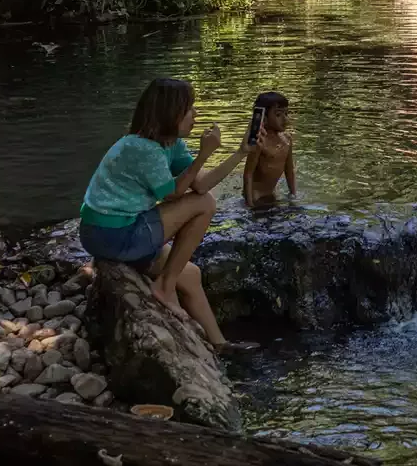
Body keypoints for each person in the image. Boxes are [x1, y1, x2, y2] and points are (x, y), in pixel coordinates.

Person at [79, 78, 249, 347]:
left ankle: (220, 345)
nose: (196, 115)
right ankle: (164, 288)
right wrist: (204, 155)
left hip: (119, 230)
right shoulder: (142, 148)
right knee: (205, 204)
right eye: (189, 108)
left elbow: (201, 184)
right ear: (170, 112)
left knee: (191, 274)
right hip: (112, 233)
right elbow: (173, 194)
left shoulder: (171, 144)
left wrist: (241, 152)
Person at [243, 92, 296, 207]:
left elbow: (289, 170)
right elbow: (248, 173)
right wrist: (249, 204)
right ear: (264, 118)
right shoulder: (259, 142)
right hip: (256, 197)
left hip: (272, 195)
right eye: (278, 115)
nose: (285, 119)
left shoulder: (287, 139)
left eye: (286, 113)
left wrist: (293, 195)